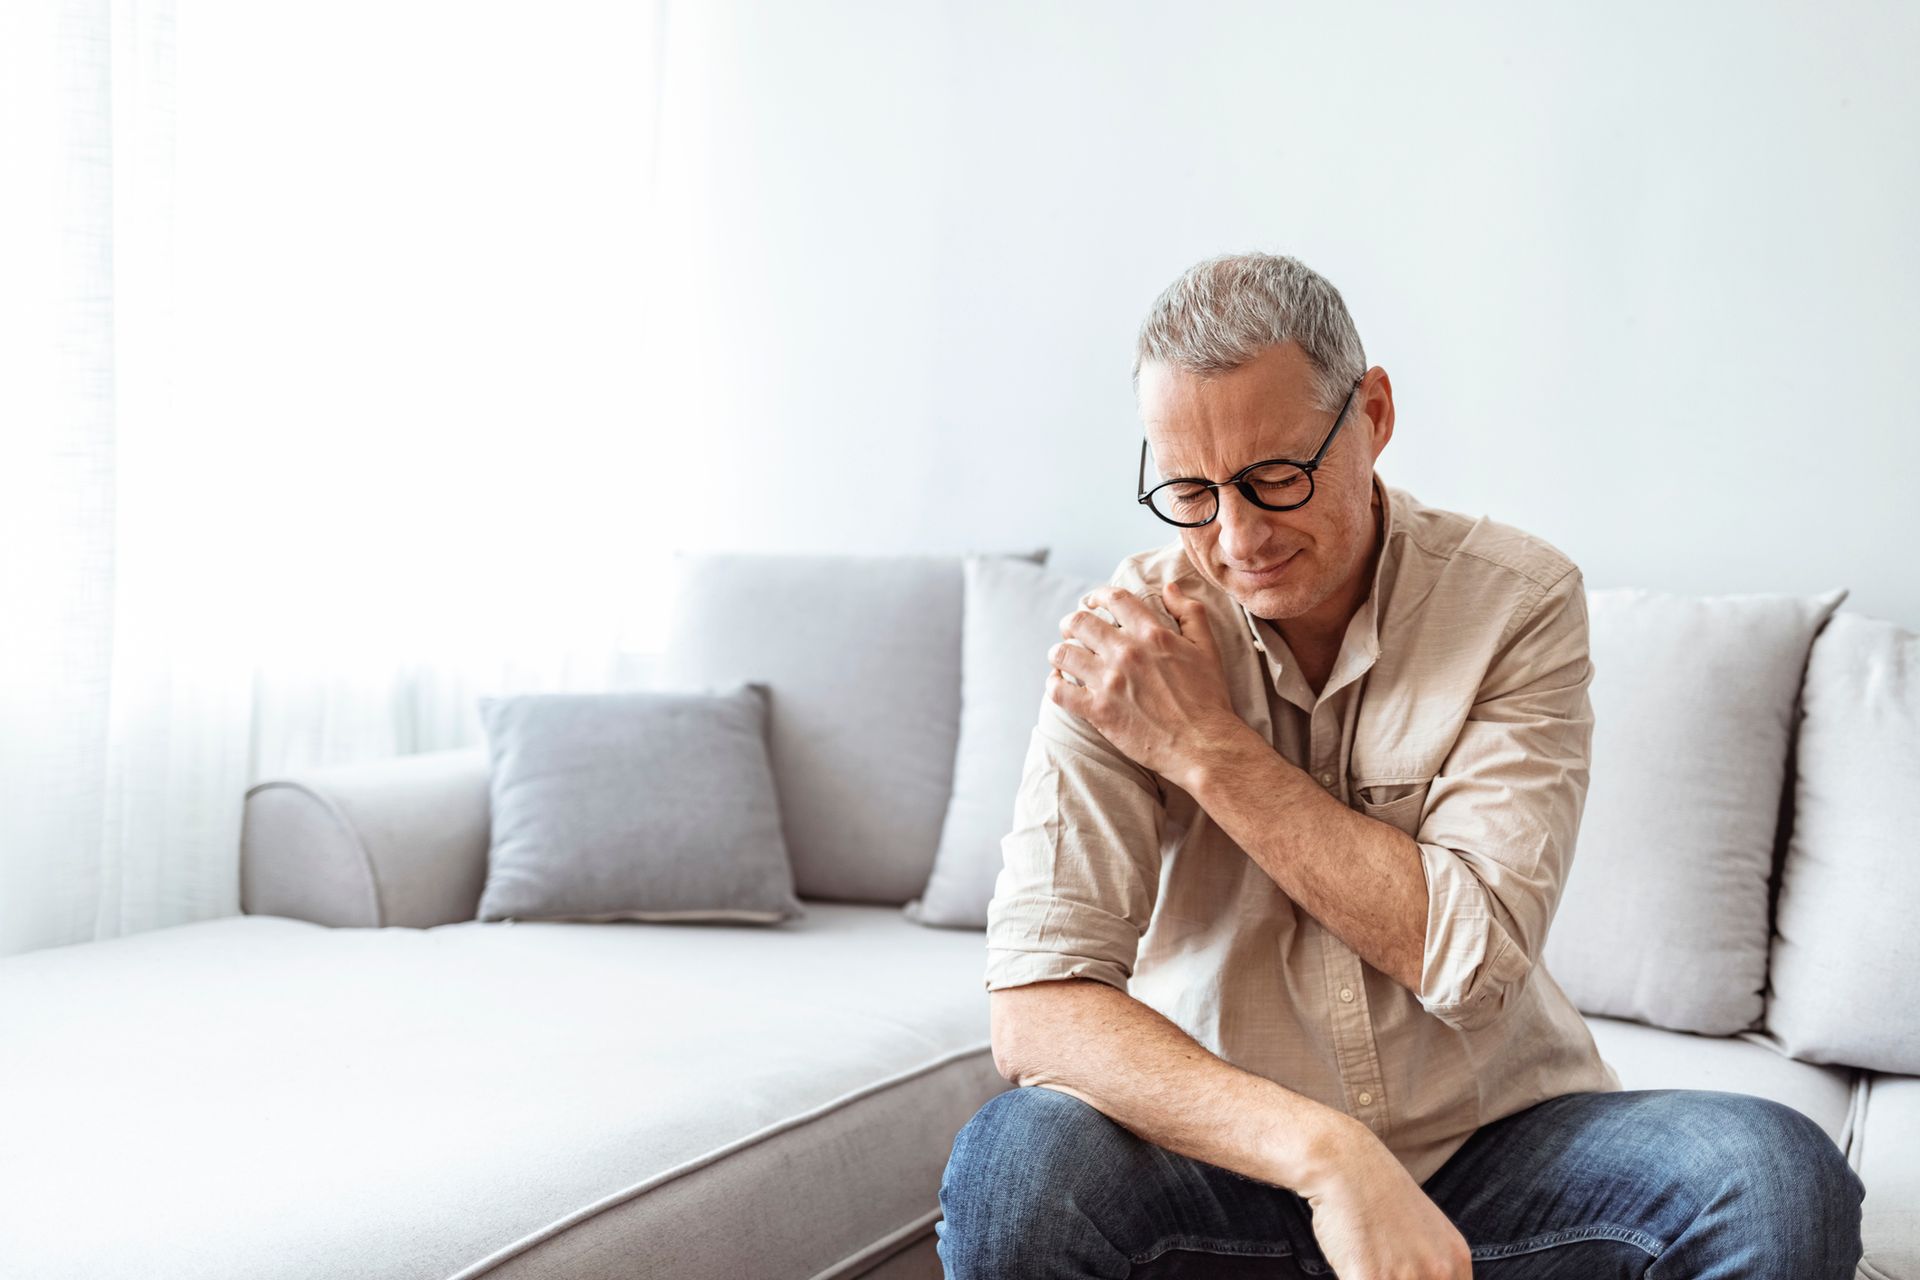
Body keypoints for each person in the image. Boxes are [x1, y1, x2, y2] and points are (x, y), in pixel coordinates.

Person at [935, 251, 1864, 1279]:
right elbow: (1037, 1007)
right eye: (1191, 493)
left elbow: (1471, 964)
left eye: (1274, 477)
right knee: (1014, 1167)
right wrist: (1327, 1155)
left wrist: (1207, 746)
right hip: (1224, 1156)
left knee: (1774, 1174)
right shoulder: (1128, 645)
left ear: (1372, 414)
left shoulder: (1519, 602)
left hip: (1494, 1148)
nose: (1237, 536)